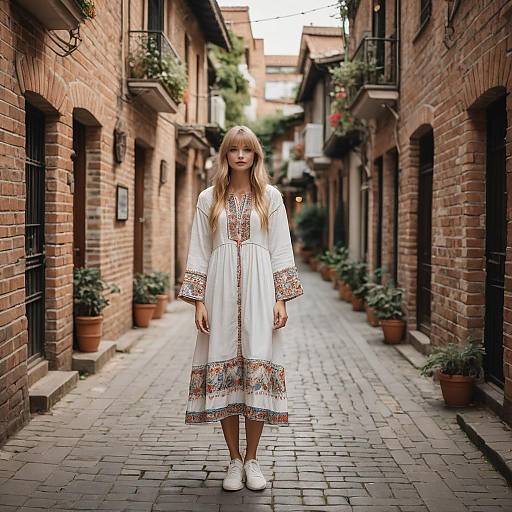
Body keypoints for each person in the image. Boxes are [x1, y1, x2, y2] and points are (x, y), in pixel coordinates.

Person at [177, 125, 304, 492]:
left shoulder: (271, 197)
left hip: (261, 292)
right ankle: (233, 459)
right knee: (227, 377)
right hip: (217, 294)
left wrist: (281, 297)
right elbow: (199, 249)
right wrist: (198, 300)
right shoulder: (208, 198)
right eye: (234, 149)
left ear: (255, 155)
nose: (241, 155)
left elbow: (281, 248)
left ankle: (253, 460)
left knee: (256, 371)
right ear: (226, 155)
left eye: (247, 149)